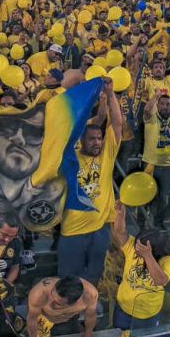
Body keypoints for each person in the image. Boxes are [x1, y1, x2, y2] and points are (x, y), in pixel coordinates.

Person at [58, 78, 122, 285]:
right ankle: (70, 315)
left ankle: (89, 310)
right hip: (72, 231)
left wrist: (111, 94)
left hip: (98, 230)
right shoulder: (69, 157)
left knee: (94, 276)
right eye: (92, 139)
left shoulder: (106, 155)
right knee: (68, 280)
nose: (97, 142)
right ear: (82, 141)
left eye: (99, 138)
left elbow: (117, 123)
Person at [111, 202, 170, 329]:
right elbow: (120, 232)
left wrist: (147, 256)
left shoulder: (167, 260)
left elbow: (160, 280)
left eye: (139, 249)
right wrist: (120, 215)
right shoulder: (134, 247)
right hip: (123, 307)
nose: (136, 250)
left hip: (147, 314)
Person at [25, 276, 99, 337]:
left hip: (68, 319)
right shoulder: (40, 293)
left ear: (74, 302)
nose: (51, 302)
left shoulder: (90, 295)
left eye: (58, 302)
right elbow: (32, 319)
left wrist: (88, 335)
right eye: (52, 295)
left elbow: (90, 316)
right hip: (42, 318)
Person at [142, 94, 170, 229]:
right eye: (162, 104)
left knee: (163, 198)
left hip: (167, 166)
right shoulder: (151, 118)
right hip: (150, 163)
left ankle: (159, 223)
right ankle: (141, 223)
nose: (165, 107)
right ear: (157, 105)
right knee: (146, 195)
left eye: (168, 104)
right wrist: (155, 96)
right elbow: (146, 110)